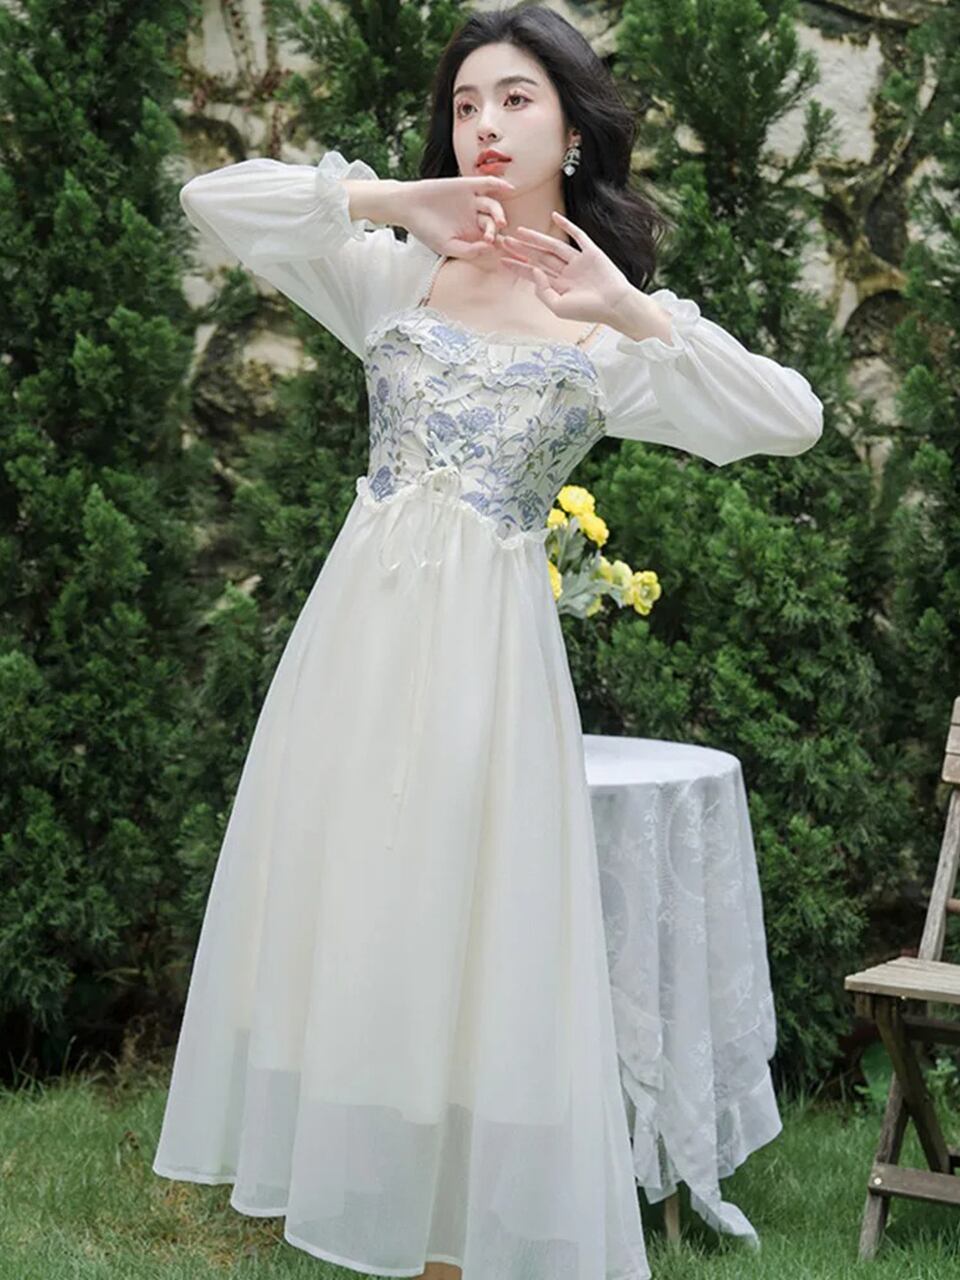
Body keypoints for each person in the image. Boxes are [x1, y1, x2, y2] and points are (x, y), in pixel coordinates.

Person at [151, 5, 823, 1278]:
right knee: (364, 927)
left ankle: (462, 1240)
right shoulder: (391, 273)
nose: (486, 125)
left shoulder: (604, 324)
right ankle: (385, 1214)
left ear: (572, 130)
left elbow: (790, 417)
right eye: (466, 104)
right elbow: (212, 197)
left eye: (516, 99)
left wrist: (632, 308)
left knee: (473, 944)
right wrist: (395, 201)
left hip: (489, 678)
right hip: (355, 659)